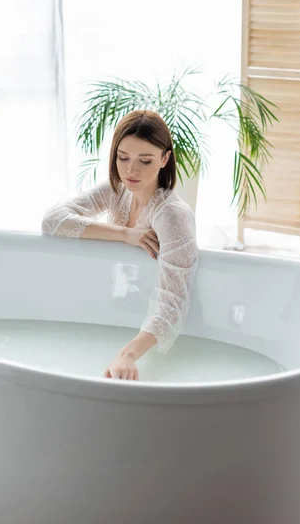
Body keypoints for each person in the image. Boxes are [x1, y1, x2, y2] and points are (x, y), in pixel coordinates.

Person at [41, 110, 198, 380]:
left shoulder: (171, 215)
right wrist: (126, 234)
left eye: (145, 161)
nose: (131, 170)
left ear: (164, 159)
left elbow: (172, 302)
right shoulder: (118, 190)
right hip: (116, 311)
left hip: (154, 340)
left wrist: (128, 354)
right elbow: (52, 221)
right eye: (122, 157)